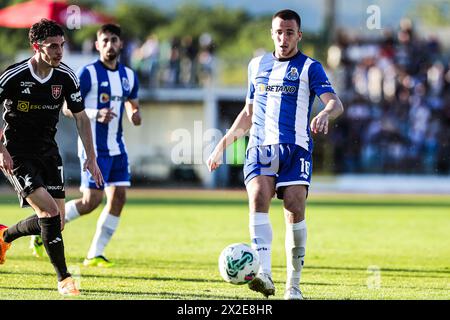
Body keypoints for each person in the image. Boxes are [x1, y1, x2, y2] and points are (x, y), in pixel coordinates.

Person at [207, 9, 343, 300]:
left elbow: (335, 103)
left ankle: (293, 287)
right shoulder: (256, 65)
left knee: (294, 208)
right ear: (272, 33)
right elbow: (248, 112)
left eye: (289, 32)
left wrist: (325, 115)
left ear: (299, 35)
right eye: (279, 32)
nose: (283, 38)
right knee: (258, 197)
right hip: (261, 147)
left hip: (296, 148)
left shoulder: (310, 67)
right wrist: (222, 145)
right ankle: (264, 274)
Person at [0, 19, 103, 296]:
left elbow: (80, 117)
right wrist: (1, 150)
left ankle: (4, 236)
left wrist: (91, 158)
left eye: (62, 45)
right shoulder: (14, 75)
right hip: (18, 153)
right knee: (48, 212)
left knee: (57, 222)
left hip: (48, 151)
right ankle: (64, 279)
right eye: (53, 46)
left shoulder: (66, 77)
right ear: (37, 47)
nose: (60, 51)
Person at [31, 24, 142, 267]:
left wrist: (134, 113)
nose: (110, 45)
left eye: (114, 40)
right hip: (95, 148)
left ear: (120, 44)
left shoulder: (129, 75)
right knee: (91, 201)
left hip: (117, 147)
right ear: (97, 45)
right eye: (105, 40)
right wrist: (94, 113)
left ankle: (95, 253)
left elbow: (132, 103)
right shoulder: (88, 73)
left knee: (119, 197)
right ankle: (46, 229)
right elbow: (66, 108)